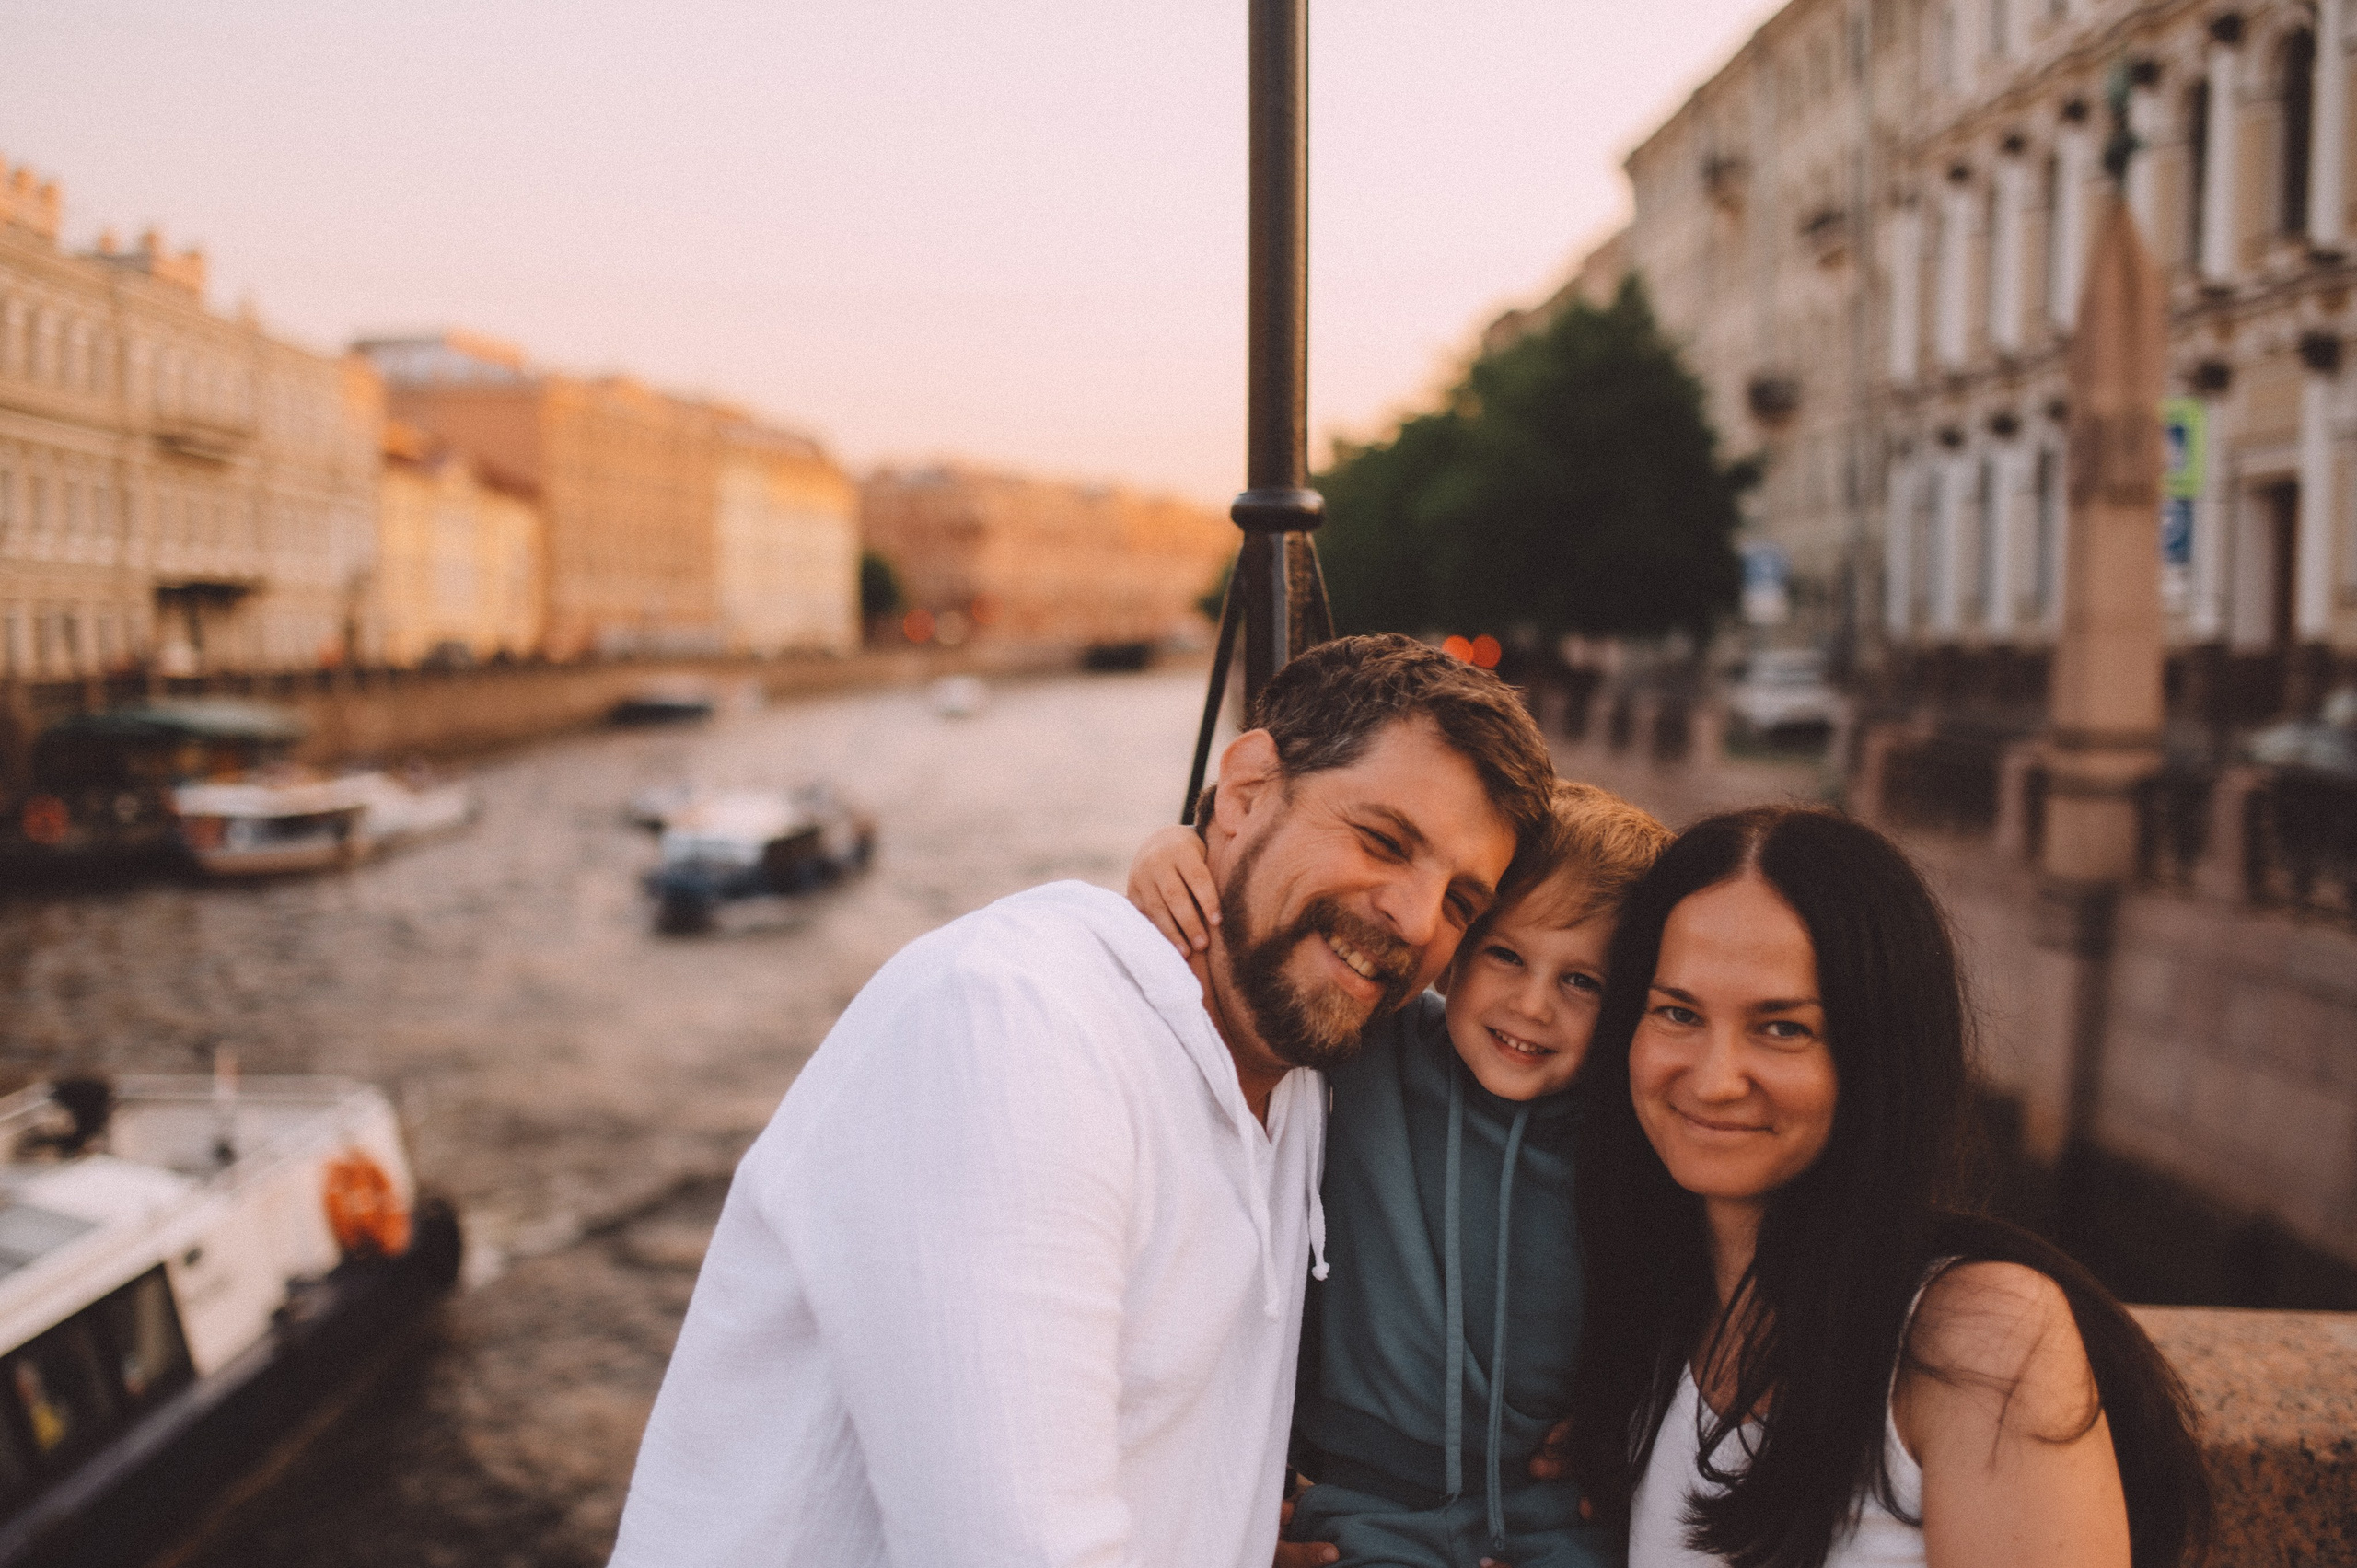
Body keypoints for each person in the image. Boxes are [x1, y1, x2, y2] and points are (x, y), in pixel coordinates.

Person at [607, 634, 1559, 1568]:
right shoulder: (1017, 1026)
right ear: (1244, 790)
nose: (1413, 918)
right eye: (1383, 839)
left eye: (1461, 904)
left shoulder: (1301, 1072)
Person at [1562, 807, 2211, 1568]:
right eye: (1677, 1012)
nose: (1714, 1078)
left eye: (1782, 1027)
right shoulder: (1654, 1330)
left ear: (1878, 1054)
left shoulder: (1977, 1338)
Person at [1130, 778, 1669, 1568]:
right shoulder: (1369, 1043)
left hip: (1554, 1520)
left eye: (1582, 981)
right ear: (1452, 950)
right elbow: (1267, 934)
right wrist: (1173, 850)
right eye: (1505, 955)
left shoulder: (1637, 1134)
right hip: (1358, 1511)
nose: (1532, 1004)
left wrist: (1626, 1416)